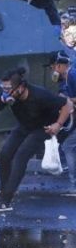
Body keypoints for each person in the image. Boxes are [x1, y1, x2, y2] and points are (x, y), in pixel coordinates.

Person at [0, 67, 73, 209]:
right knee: (5, 154)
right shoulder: (7, 97)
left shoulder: (40, 95)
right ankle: (4, 192)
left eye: (8, 88)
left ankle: (6, 200)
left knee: (21, 156)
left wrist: (58, 124)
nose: (6, 92)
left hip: (44, 127)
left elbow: (67, 104)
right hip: (25, 125)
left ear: (21, 87)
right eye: (3, 88)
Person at [46, 51, 76, 189]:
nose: (52, 70)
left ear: (58, 66)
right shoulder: (66, 78)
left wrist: (68, 100)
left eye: (52, 67)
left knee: (68, 146)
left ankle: (74, 182)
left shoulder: (72, 75)